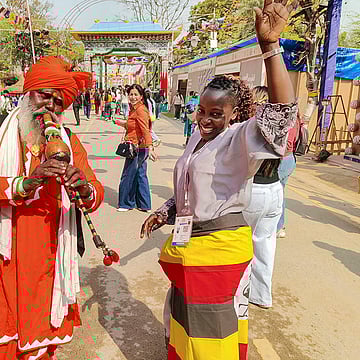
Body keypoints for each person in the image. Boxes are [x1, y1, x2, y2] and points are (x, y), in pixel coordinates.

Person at [140, 1, 297, 359]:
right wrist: (165, 212)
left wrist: (270, 49)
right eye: (202, 110)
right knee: (185, 325)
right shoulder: (197, 137)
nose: (206, 119)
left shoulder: (240, 138)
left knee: (213, 335)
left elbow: (282, 113)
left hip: (220, 249)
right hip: (190, 247)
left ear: (232, 114)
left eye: (216, 113)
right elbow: (189, 187)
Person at [0, 56, 104, 360]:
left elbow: (95, 193)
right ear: (28, 94)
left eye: (58, 102)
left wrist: (85, 187)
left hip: (49, 262)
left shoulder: (70, 143)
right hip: (3, 257)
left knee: (40, 345)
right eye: (44, 95)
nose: (49, 106)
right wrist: (25, 183)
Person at [242, 85, 283, 310]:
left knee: (242, 243)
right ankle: (262, 295)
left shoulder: (252, 127)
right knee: (266, 244)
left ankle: (242, 291)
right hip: (275, 189)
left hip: (254, 189)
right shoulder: (281, 126)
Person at [117, 84, 158, 212]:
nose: (133, 97)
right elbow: (135, 127)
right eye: (131, 94)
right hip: (138, 146)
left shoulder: (140, 110)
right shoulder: (134, 109)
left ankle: (126, 203)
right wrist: (122, 124)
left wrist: (150, 147)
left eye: (135, 94)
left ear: (141, 96)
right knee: (140, 175)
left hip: (137, 148)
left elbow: (146, 130)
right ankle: (144, 204)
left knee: (128, 175)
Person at [276, 111, 301, 238]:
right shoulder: (296, 119)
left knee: (275, 195)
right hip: (289, 159)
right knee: (279, 194)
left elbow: (285, 144)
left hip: (283, 160)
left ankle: (277, 226)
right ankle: (280, 226)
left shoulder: (287, 120)